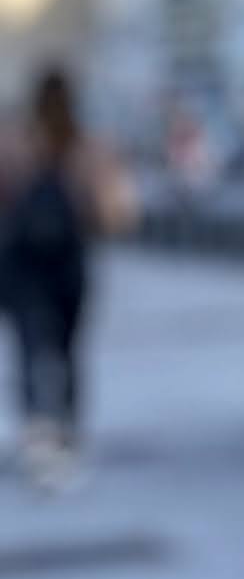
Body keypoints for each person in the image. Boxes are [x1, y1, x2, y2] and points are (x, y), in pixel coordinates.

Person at [1, 66, 129, 493]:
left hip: (22, 265)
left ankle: (37, 435)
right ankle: (68, 436)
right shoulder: (87, 146)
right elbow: (112, 215)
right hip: (68, 264)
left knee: (29, 349)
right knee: (69, 352)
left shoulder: (16, 142)